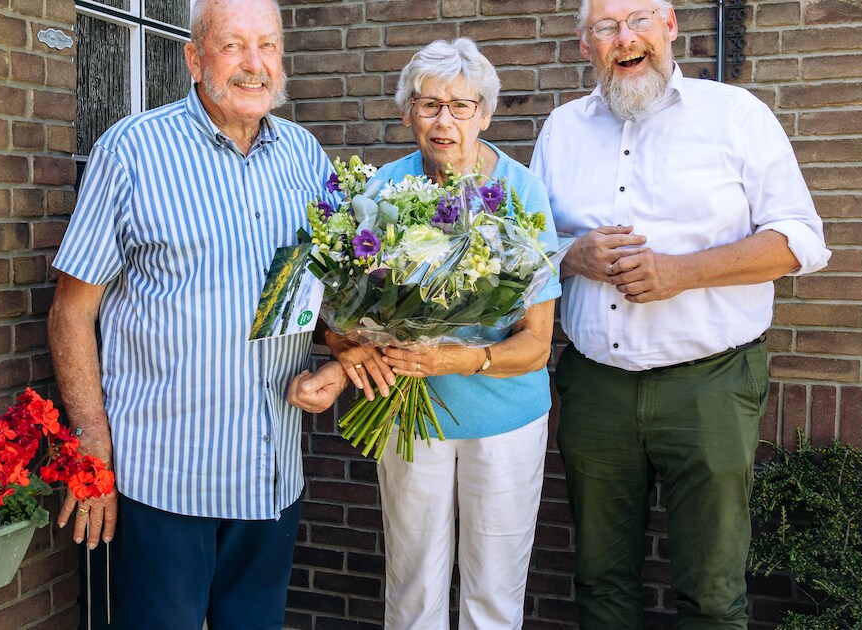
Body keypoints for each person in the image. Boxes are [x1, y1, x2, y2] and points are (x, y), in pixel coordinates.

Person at [46, 0, 347, 627]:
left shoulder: (306, 156)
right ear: (194, 57)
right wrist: (92, 448)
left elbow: (321, 292)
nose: (254, 64)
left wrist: (344, 352)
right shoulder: (132, 150)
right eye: (233, 45)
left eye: (268, 46)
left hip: (270, 471)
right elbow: (71, 313)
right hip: (165, 477)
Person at [530, 0, 831, 627]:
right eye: (606, 27)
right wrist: (571, 255)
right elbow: (523, 251)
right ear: (585, 46)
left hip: (710, 387)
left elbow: (800, 241)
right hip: (596, 388)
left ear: (670, 27)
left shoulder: (736, 115)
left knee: (712, 595)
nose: (625, 38)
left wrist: (682, 272)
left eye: (639, 20)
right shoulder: (561, 129)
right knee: (601, 585)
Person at [326, 38, 561, 629]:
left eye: (460, 106)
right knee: (413, 590)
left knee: (494, 596)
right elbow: (343, 311)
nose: (444, 121)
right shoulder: (380, 190)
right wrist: (351, 342)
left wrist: (459, 359)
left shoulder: (521, 193)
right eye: (429, 104)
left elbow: (536, 344)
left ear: (485, 115)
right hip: (410, 415)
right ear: (408, 113)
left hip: (504, 419)